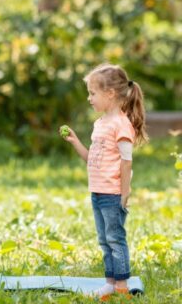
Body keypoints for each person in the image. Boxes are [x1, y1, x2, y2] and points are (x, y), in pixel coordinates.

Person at [61, 64, 146, 300]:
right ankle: (110, 282)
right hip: (97, 191)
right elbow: (92, 159)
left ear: (110, 94)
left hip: (112, 193)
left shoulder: (121, 124)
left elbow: (126, 162)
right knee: (103, 239)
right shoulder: (99, 124)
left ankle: (121, 284)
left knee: (115, 238)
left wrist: (124, 192)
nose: (89, 98)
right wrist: (76, 141)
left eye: (92, 93)